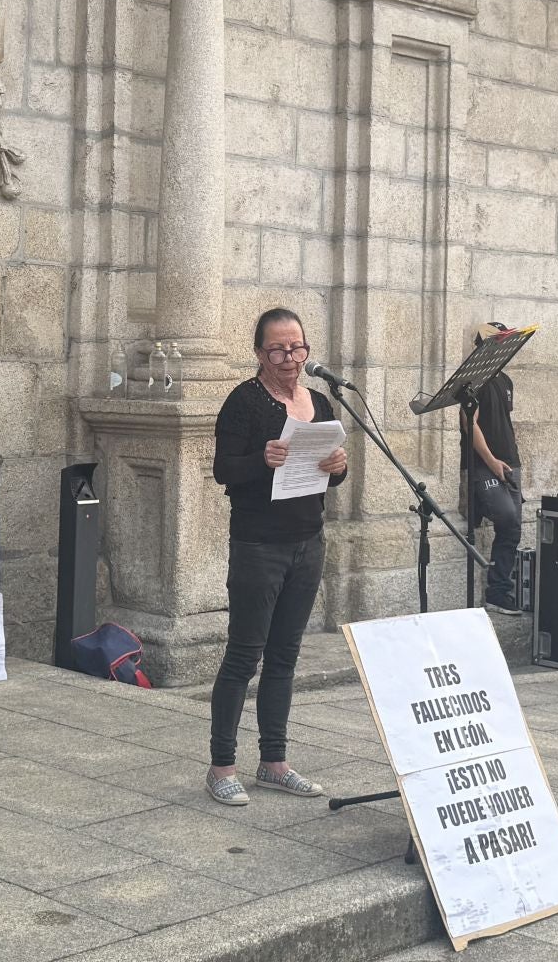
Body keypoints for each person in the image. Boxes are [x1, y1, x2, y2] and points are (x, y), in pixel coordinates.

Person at [206, 307, 348, 805]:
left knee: (285, 657)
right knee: (244, 655)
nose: (290, 358)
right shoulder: (243, 403)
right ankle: (222, 764)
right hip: (258, 545)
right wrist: (260, 461)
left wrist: (338, 465)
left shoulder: (322, 403)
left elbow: (333, 475)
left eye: (298, 348)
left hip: (308, 542)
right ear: (259, 353)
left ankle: (274, 760)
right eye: (278, 350)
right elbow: (224, 470)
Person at [462, 324, 523, 616]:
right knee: (506, 517)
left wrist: (509, 460)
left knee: (512, 530)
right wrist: (491, 461)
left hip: (510, 462)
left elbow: (503, 422)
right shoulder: (473, 379)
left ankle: (499, 593)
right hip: (485, 465)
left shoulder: (507, 380)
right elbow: (468, 424)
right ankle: (496, 591)